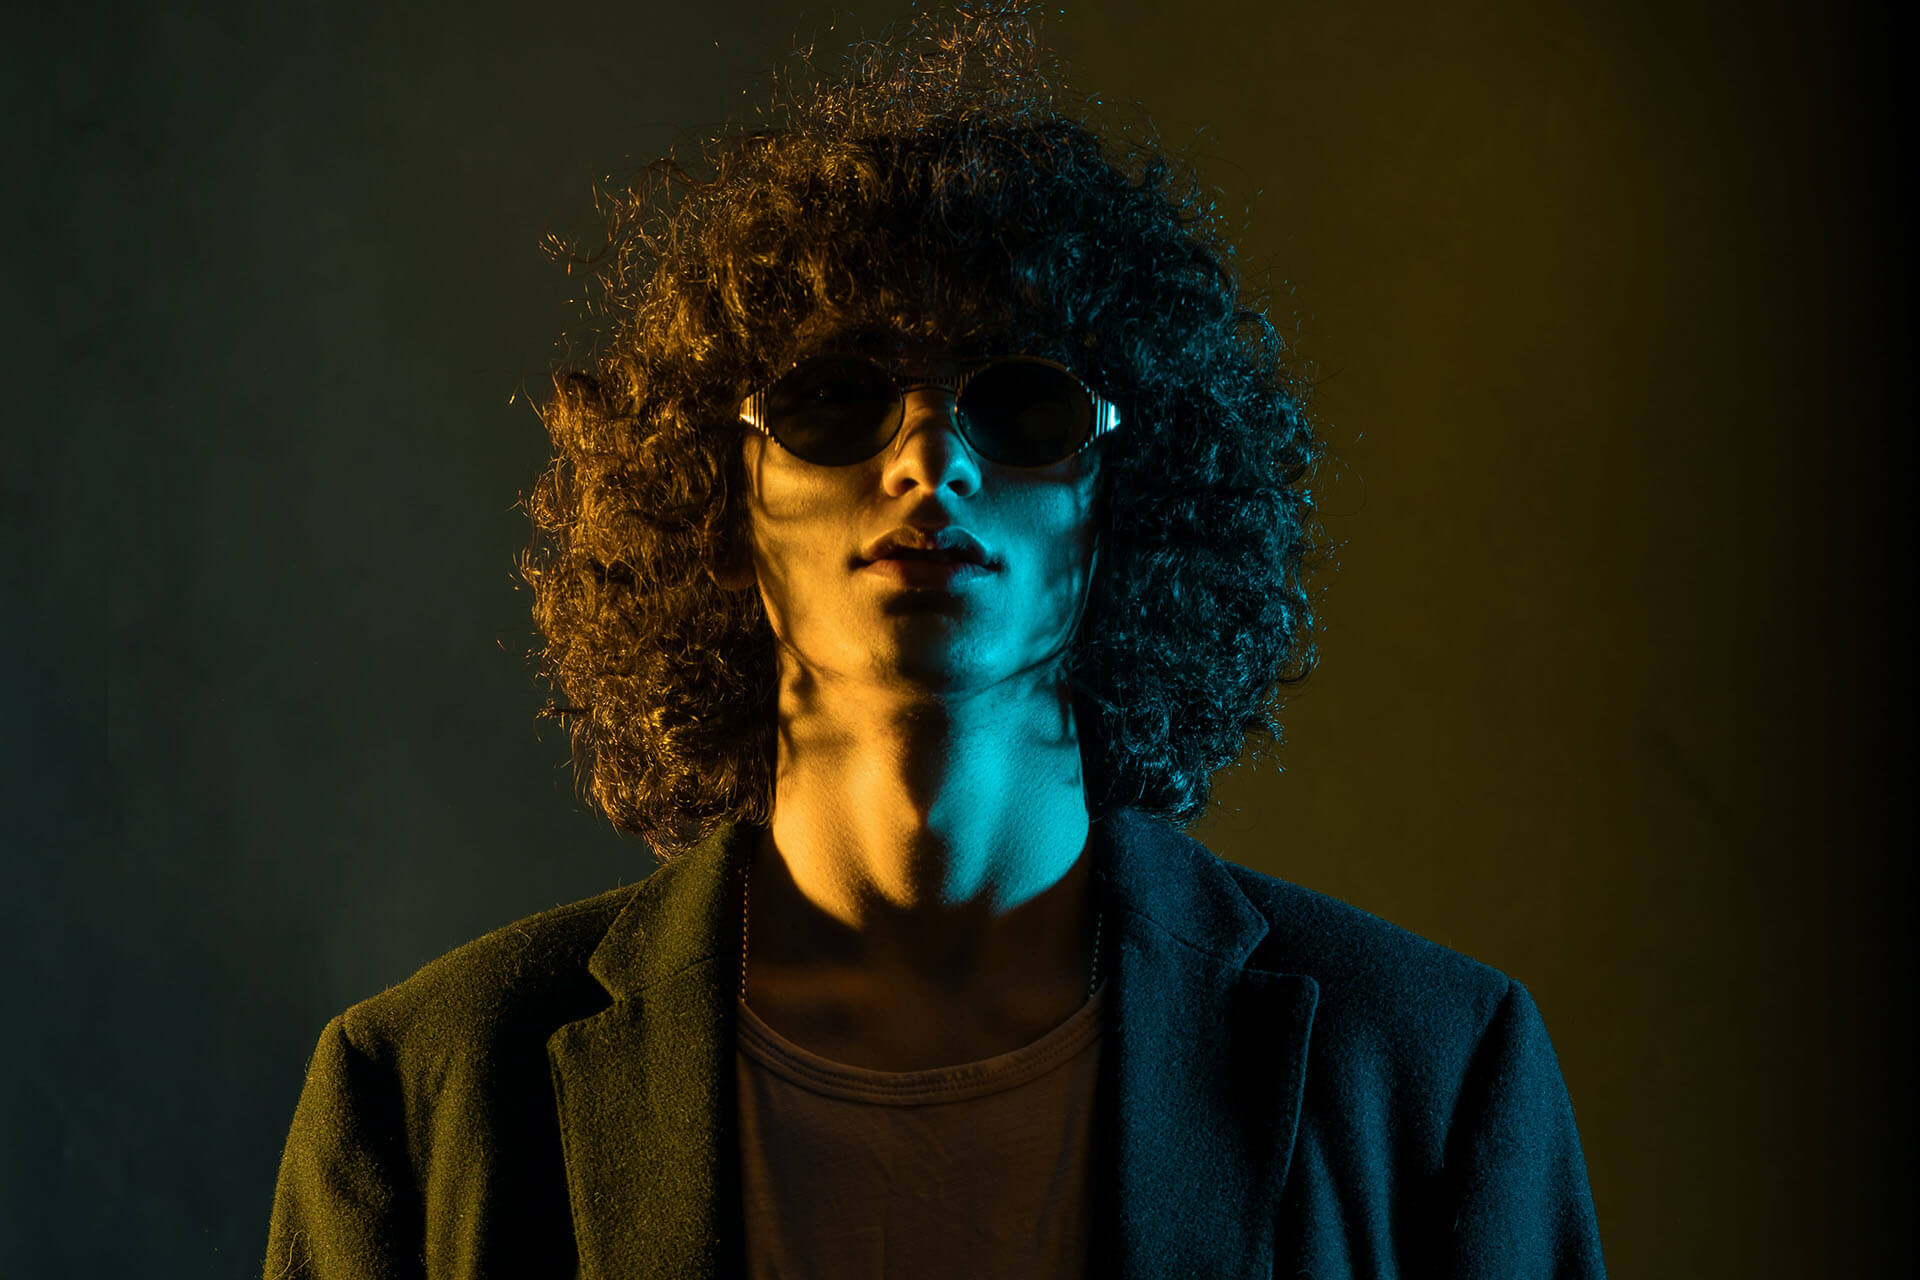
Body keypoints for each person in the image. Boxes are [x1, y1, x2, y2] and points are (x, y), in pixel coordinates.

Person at [264, 6, 1606, 1277]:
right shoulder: (422, 1096)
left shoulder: (1434, 1075)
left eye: (1022, 404)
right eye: (835, 399)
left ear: (1130, 499)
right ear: (718, 497)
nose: (928, 458)